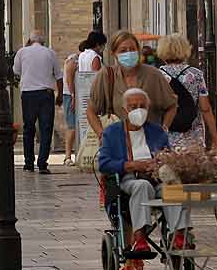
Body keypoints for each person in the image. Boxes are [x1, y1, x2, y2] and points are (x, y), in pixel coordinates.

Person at [97, 87, 189, 270]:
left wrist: (161, 162)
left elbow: (169, 155)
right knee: (142, 186)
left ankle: (179, 234)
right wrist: (131, 165)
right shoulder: (112, 133)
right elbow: (104, 163)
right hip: (130, 179)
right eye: (133, 106)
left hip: (156, 178)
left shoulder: (157, 131)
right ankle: (139, 238)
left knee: (173, 188)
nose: (138, 110)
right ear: (125, 109)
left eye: (142, 106)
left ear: (148, 108)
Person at [85, 29, 176, 143]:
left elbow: (172, 105)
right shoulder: (107, 75)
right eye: (123, 50)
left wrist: (164, 130)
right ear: (114, 54)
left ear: (138, 51)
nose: (128, 53)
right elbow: (91, 111)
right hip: (118, 144)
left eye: (132, 49)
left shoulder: (153, 75)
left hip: (150, 142)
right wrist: (102, 135)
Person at [157, 33, 217, 155]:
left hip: (166, 135)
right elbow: (205, 108)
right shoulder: (195, 74)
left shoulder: (157, 75)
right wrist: (215, 140)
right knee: (192, 171)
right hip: (192, 136)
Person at [12, 33, 62, 174]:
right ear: (43, 42)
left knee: (28, 128)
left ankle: (28, 163)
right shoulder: (50, 53)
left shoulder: (22, 52)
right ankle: (42, 163)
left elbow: (16, 71)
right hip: (46, 94)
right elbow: (59, 76)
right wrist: (59, 95)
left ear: (29, 41)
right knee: (46, 128)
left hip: (28, 94)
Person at [61, 32, 105, 166]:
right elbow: (96, 77)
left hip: (82, 93)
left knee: (81, 127)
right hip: (92, 94)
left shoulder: (82, 56)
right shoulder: (95, 57)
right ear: (98, 44)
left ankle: (80, 154)